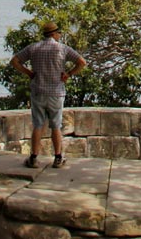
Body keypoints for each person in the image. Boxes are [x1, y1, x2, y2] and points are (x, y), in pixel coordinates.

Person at [11, 21, 86, 169]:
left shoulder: (33, 48)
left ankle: (33, 158)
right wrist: (69, 74)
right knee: (56, 126)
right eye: (58, 33)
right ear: (54, 34)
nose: (59, 35)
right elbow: (82, 62)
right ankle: (58, 158)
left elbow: (15, 61)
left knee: (38, 125)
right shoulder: (63, 49)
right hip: (56, 93)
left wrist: (29, 73)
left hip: (38, 91)